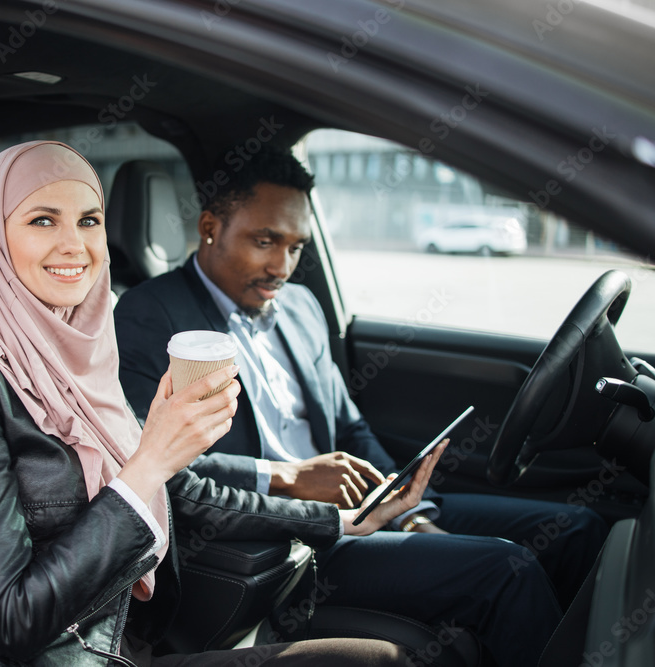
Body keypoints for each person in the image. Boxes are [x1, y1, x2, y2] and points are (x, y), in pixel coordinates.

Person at [0, 140, 434, 667]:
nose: (74, 245)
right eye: (42, 221)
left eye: (88, 221)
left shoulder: (79, 354)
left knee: (384, 658)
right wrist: (148, 461)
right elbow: (14, 620)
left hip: (125, 647)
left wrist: (340, 521)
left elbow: (185, 489)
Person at [114, 146, 607, 645]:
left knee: (578, 529)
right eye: (265, 242)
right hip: (289, 540)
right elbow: (156, 461)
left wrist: (410, 513)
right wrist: (289, 480)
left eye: (296, 247)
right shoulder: (151, 315)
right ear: (209, 228)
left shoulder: (301, 306)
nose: (282, 266)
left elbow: (350, 428)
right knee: (508, 567)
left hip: (368, 505)